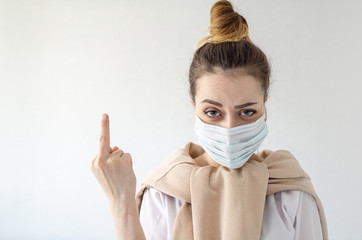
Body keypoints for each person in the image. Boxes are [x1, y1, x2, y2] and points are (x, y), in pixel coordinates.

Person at [91, 0, 328, 239]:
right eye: (213, 112)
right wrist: (121, 201)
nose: (229, 128)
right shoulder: (164, 192)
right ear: (195, 108)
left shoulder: (291, 193)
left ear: (264, 106)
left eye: (246, 112)